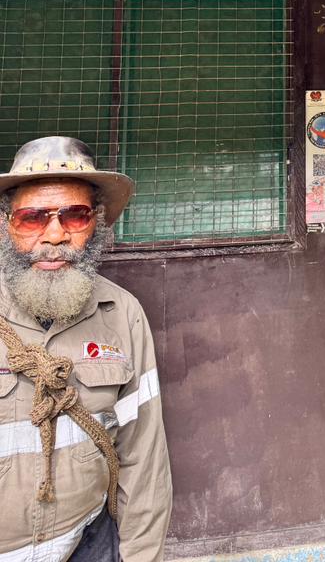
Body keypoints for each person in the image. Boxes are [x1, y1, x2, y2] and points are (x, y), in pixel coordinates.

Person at [0, 136, 172, 562]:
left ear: (96, 223)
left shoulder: (122, 313)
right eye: (32, 218)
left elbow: (143, 457)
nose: (55, 235)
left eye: (74, 216)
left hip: (87, 544)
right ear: (5, 224)